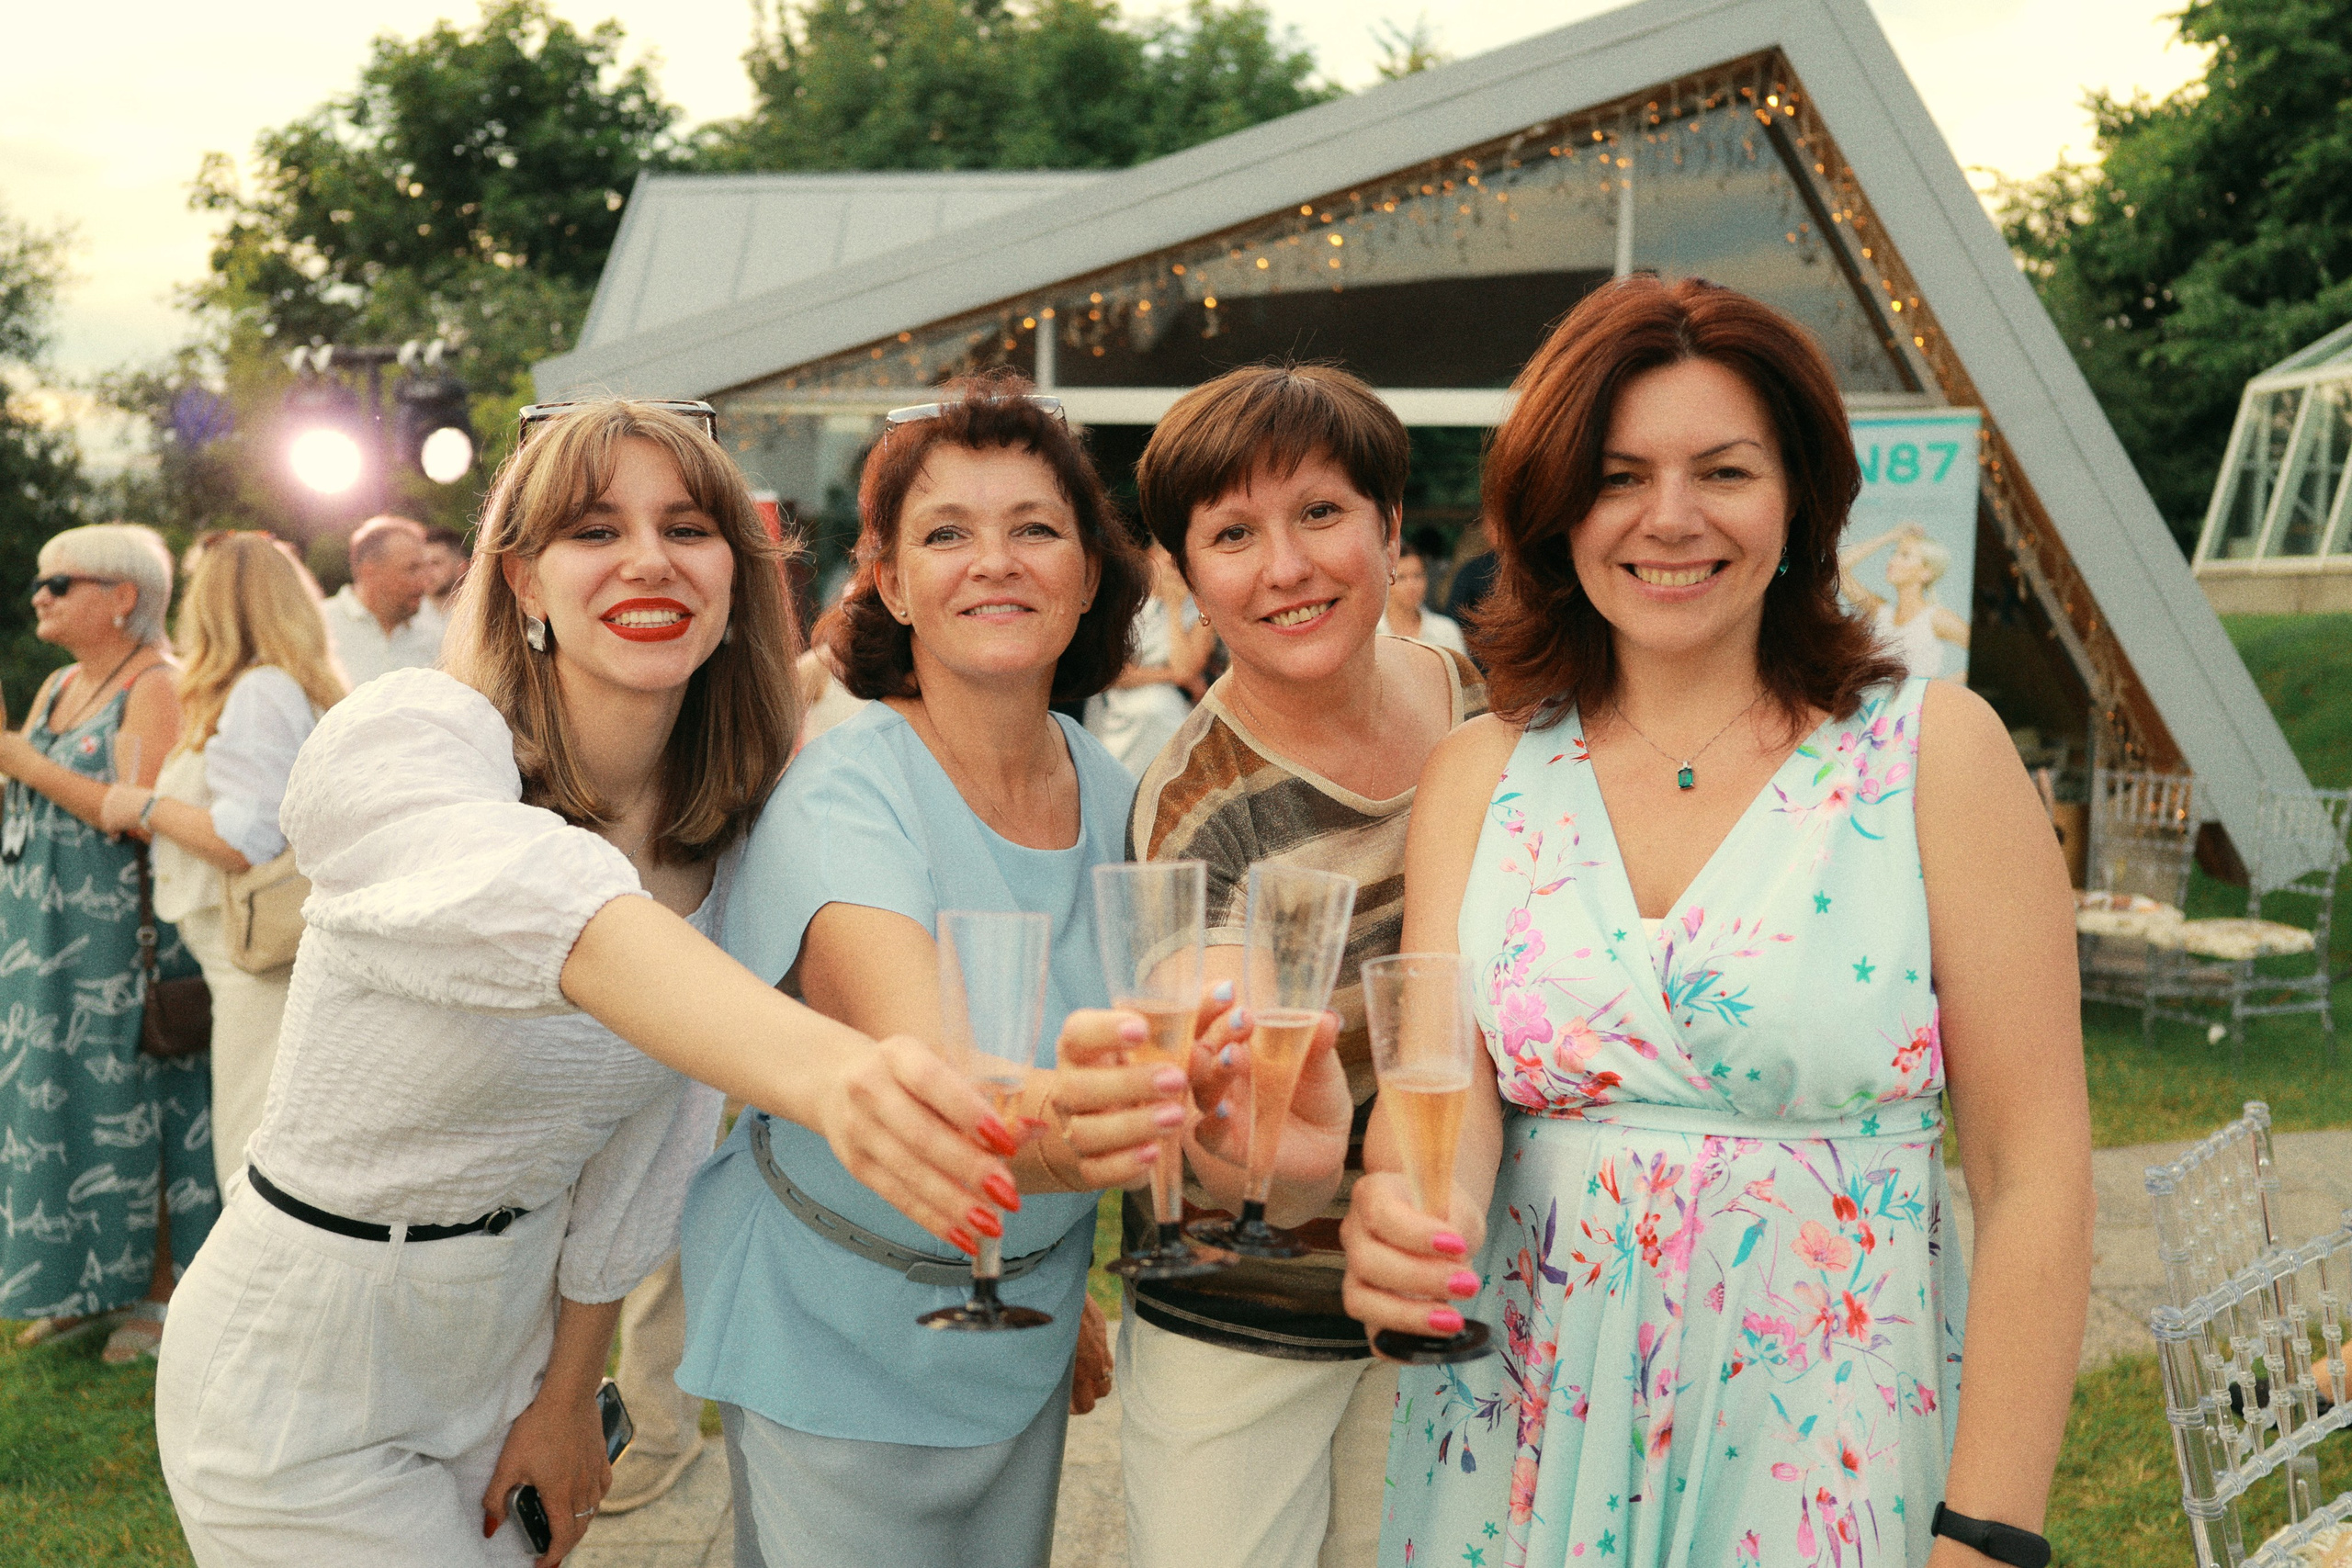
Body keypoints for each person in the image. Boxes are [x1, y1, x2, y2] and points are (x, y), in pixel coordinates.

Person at [153, 400, 1050, 1568]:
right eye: (592, 530)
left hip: (513, 1352)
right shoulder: (412, 741)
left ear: (738, 575)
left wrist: (575, 1390)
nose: (648, 558)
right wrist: (850, 1081)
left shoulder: (724, 836)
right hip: (305, 1357)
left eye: (688, 527)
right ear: (521, 582)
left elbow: (652, 1141)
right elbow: (563, 917)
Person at [1343, 276, 2091, 1567]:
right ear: (1559, 505)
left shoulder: (1934, 755)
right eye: (1620, 473)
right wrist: (1405, 1227)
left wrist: (1987, 1530)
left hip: (1826, 1447)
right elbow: (1446, 1120)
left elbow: (2035, 1177)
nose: (1670, 518)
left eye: (1724, 470)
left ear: (1798, 494)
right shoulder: (1480, 772)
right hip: (1519, 1444)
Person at [676, 375, 1229, 1568]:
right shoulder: (845, 784)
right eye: (947, 532)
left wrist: (1052, 1254)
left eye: (1036, 527)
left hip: (1016, 1330)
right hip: (838, 1330)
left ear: (1089, 573)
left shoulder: (1120, 792)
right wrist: (1109, 1140)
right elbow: (940, 1089)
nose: (998, 561)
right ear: (886, 578)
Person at [1118, 363, 1487, 1568]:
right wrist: (1257, 1126)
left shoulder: (1483, 705)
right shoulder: (1198, 807)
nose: (1286, 566)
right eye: (1233, 533)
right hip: (1246, 1324)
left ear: (1389, 528)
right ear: (1182, 573)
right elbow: (1248, 1117)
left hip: (1442, 1287)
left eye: (1320, 513)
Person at [0, 523, 214, 1366]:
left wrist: (18, 757)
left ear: (123, 597)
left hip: (122, 941)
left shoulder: (158, 684)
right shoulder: (57, 684)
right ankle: (84, 1282)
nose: (39, 597)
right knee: (61, 1110)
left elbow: (138, 813)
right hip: (44, 938)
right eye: (40, 583)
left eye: (61, 583)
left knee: (142, 1111)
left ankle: (160, 1293)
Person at [97, 533, 346, 1195]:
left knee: (249, 1152)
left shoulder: (262, 691)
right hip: (254, 955)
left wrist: (144, 805)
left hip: (254, 959)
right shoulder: (288, 686)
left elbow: (249, 839)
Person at [1083, 538, 1214, 779]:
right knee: (1151, 706)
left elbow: (1186, 669)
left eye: (1183, 565)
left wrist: (1174, 608)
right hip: (1119, 710)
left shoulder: (1201, 610)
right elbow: (1113, 672)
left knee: (1160, 707)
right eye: (1170, 563)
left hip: (1175, 709)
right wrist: (1170, 676)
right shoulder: (1123, 603)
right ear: (1151, 558)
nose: (1177, 572)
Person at [1840, 521, 1971, 680]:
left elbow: (1984, 657)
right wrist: (1890, 536)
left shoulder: (1936, 618)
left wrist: (1938, 689)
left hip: (1917, 705)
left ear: (1926, 572)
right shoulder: (1881, 612)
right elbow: (1839, 569)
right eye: (1894, 553)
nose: (1892, 560)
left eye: (1905, 555)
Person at [323, 513, 444, 686]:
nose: (425, 581)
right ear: (370, 571)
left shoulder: (436, 635)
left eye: (426, 568)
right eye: (412, 569)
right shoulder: (320, 626)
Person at [1378, 533, 1467, 656]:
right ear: (1386, 581)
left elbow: (1460, 674)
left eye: (1418, 575)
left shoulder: (1446, 630)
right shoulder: (1372, 631)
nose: (1412, 585)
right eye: (1402, 578)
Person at [423, 523, 473, 619]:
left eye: (436, 563)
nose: (426, 571)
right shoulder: (407, 617)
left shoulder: (476, 615)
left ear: (462, 567)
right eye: (422, 564)